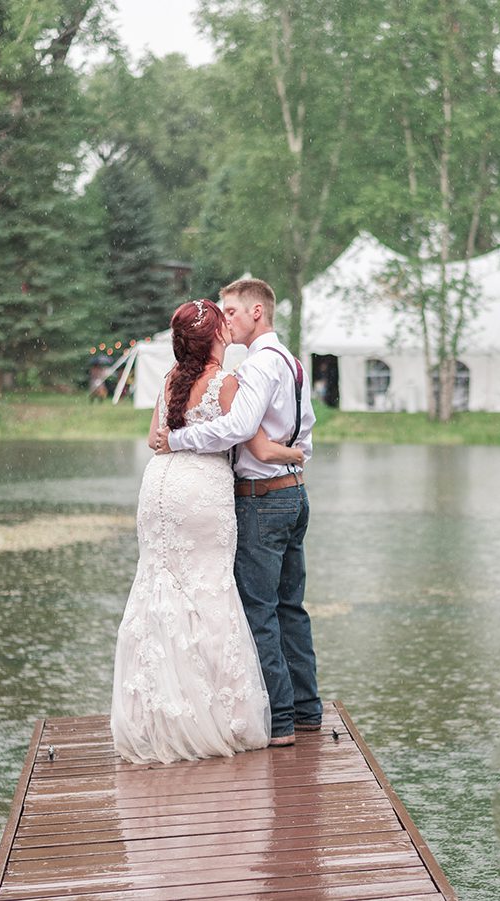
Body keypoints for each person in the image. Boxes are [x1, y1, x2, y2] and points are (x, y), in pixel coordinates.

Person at [111, 298, 304, 764]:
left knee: (159, 585)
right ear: (217, 336)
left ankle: (156, 714)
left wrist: (174, 440)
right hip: (200, 490)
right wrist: (294, 455)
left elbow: (153, 439)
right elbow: (251, 440)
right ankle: (215, 716)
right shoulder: (226, 383)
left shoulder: (169, 380)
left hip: (159, 487)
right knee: (209, 589)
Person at [154, 277, 320, 748]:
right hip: (293, 494)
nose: (224, 319)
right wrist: (287, 454)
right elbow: (305, 434)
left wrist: (179, 440)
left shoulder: (257, 368)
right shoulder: (291, 363)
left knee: (260, 610)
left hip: (262, 500)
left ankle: (283, 721)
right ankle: (307, 711)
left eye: (230, 310)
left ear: (256, 314)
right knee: (290, 608)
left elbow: (239, 427)